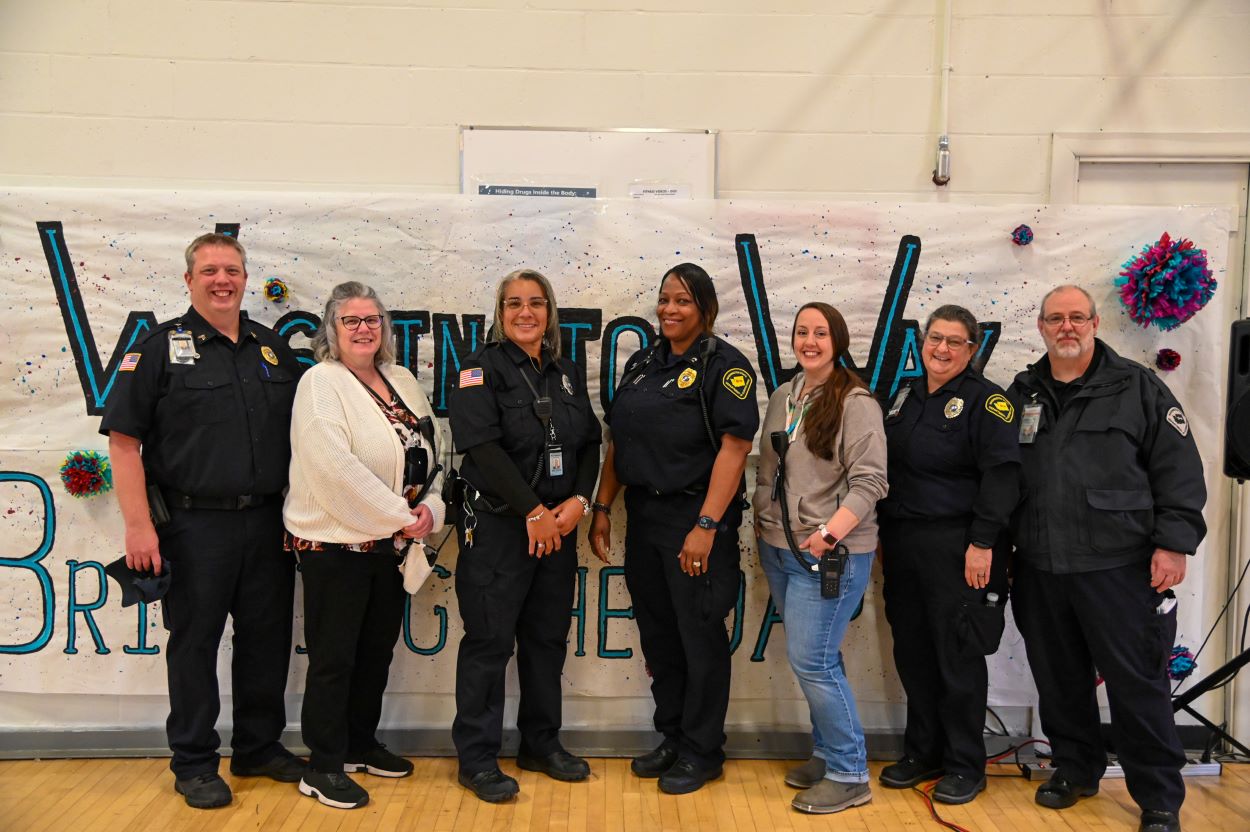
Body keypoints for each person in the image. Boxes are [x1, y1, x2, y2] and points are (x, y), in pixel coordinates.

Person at [100, 233, 306, 809]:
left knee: (266, 641)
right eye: (211, 270)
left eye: (233, 270)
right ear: (188, 280)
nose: (223, 280)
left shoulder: (272, 350)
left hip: (267, 523)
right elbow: (123, 442)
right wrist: (139, 527)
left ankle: (258, 747)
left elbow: (301, 442)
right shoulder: (159, 348)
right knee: (194, 644)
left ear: (245, 279)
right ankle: (193, 760)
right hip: (193, 528)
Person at [1007, 286, 1205, 832]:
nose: (1065, 327)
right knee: (1059, 678)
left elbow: (1179, 469)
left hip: (1118, 566)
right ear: (1041, 326)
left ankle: (1160, 797)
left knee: (1136, 684)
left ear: (1095, 323)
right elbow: (1001, 478)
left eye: (1076, 317)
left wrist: (1173, 542)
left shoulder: (1137, 386)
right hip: (1041, 566)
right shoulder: (1022, 391)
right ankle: (1076, 769)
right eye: (1055, 319)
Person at [589, 263, 759, 795]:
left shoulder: (725, 366)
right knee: (660, 638)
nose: (669, 309)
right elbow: (619, 441)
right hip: (645, 518)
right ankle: (673, 736)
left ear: (705, 309)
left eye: (682, 300)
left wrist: (706, 525)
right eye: (664, 299)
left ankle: (703, 750)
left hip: (697, 521)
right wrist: (601, 506)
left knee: (699, 639)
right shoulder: (643, 362)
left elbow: (736, 449)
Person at [284, 282, 446, 810]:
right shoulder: (320, 382)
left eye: (372, 319)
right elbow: (334, 469)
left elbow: (436, 453)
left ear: (385, 328)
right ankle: (323, 763)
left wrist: (431, 511)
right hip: (337, 546)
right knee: (334, 658)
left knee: (375, 652)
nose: (363, 329)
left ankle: (358, 742)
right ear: (331, 330)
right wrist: (402, 517)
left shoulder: (400, 380)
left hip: (393, 545)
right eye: (351, 320)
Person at [448, 268, 603, 803]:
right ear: (500, 311)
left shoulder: (565, 372)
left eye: (536, 303)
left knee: (545, 642)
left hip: (557, 530)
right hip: (498, 529)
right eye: (514, 303)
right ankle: (477, 758)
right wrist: (533, 510)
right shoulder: (477, 369)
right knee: (489, 644)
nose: (525, 313)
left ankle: (541, 743)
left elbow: (589, 444)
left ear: (550, 312)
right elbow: (481, 447)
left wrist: (578, 503)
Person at [876, 304, 1019, 805]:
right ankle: (924, 751)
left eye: (954, 342)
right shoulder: (904, 396)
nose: (941, 349)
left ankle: (965, 763)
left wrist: (983, 544)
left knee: (957, 657)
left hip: (960, 546)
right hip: (904, 543)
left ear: (972, 349)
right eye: (935, 338)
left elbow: (1002, 478)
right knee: (914, 654)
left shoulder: (989, 402)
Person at [754, 303, 888, 814]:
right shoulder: (785, 395)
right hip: (779, 549)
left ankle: (851, 772)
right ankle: (828, 751)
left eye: (821, 333)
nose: (810, 340)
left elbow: (871, 481)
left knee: (812, 660)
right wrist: (762, 528)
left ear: (839, 339)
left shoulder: (856, 402)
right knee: (816, 659)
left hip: (830, 554)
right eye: (802, 331)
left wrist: (829, 534)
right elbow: (768, 471)